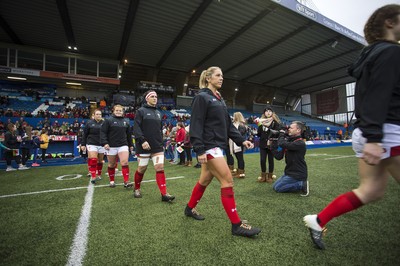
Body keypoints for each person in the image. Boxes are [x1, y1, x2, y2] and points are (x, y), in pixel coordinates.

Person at [304, 4, 400, 250]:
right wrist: (374, 138)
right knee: (371, 190)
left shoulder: (373, 54)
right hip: (385, 132)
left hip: (373, 131)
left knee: (372, 191)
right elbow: (378, 96)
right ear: (389, 22)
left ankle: (318, 220)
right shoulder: (390, 52)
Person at [184, 66, 261, 237]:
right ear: (208, 79)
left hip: (217, 145)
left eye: (222, 76)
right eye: (218, 75)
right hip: (209, 146)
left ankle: (189, 209)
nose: (221, 78)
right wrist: (199, 149)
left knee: (204, 180)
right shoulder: (202, 97)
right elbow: (196, 124)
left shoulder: (219, 99)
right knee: (227, 181)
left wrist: (242, 140)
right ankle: (237, 225)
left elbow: (227, 125)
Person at [132, 90, 175, 202]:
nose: (155, 98)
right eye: (152, 96)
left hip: (157, 146)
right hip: (143, 145)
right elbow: (136, 128)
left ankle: (164, 194)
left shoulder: (158, 113)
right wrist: (142, 141)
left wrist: (161, 144)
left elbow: (159, 131)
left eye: (156, 96)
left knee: (160, 168)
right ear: (147, 98)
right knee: (142, 169)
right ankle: (136, 188)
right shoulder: (141, 111)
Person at [100, 104, 133, 188]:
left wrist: (130, 145)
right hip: (111, 146)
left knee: (125, 162)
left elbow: (129, 134)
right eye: (117, 110)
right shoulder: (108, 120)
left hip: (123, 145)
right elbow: (103, 132)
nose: (118, 112)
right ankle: (111, 181)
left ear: (123, 112)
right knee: (112, 164)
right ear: (113, 111)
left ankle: (126, 181)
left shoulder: (126, 121)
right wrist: (105, 143)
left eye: (120, 110)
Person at [272, 121, 308, 196]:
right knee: (274, 186)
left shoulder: (300, 143)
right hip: (289, 172)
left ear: (298, 130)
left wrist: (281, 133)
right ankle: (298, 183)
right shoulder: (290, 140)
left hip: (298, 173)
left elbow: (282, 143)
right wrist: (272, 145)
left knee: (278, 188)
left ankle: (301, 185)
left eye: (291, 128)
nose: (288, 129)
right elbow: (279, 157)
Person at [256, 106, 281, 183]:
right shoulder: (261, 122)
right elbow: (259, 134)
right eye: (266, 111)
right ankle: (263, 176)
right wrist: (259, 126)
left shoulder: (275, 122)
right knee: (262, 160)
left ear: (272, 113)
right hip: (263, 144)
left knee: (271, 160)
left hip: (272, 144)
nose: (268, 112)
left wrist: (268, 130)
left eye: (270, 111)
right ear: (264, 113)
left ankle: (270, 176)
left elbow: (277, 133)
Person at [81, 109, 105, 184]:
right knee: (94, 159)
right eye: (97, 114)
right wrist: (83, 144)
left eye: (100, 114)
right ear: (93, 115)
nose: (99, 116)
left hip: (102, 144)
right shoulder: (89, 123)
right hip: (92, 143)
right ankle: (93, 176)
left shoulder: (104, 123)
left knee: (100, 161)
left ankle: (99, 174)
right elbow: (85, 134)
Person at [229, 112, 248, 178]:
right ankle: (239, 171)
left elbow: (240, 134)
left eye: (235, 116)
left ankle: (241, 172)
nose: (234, 117)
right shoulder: (234, 124)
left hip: (239, 144)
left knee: (240, 158)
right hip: (235, 143)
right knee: (238, 158)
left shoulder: (241, 125)